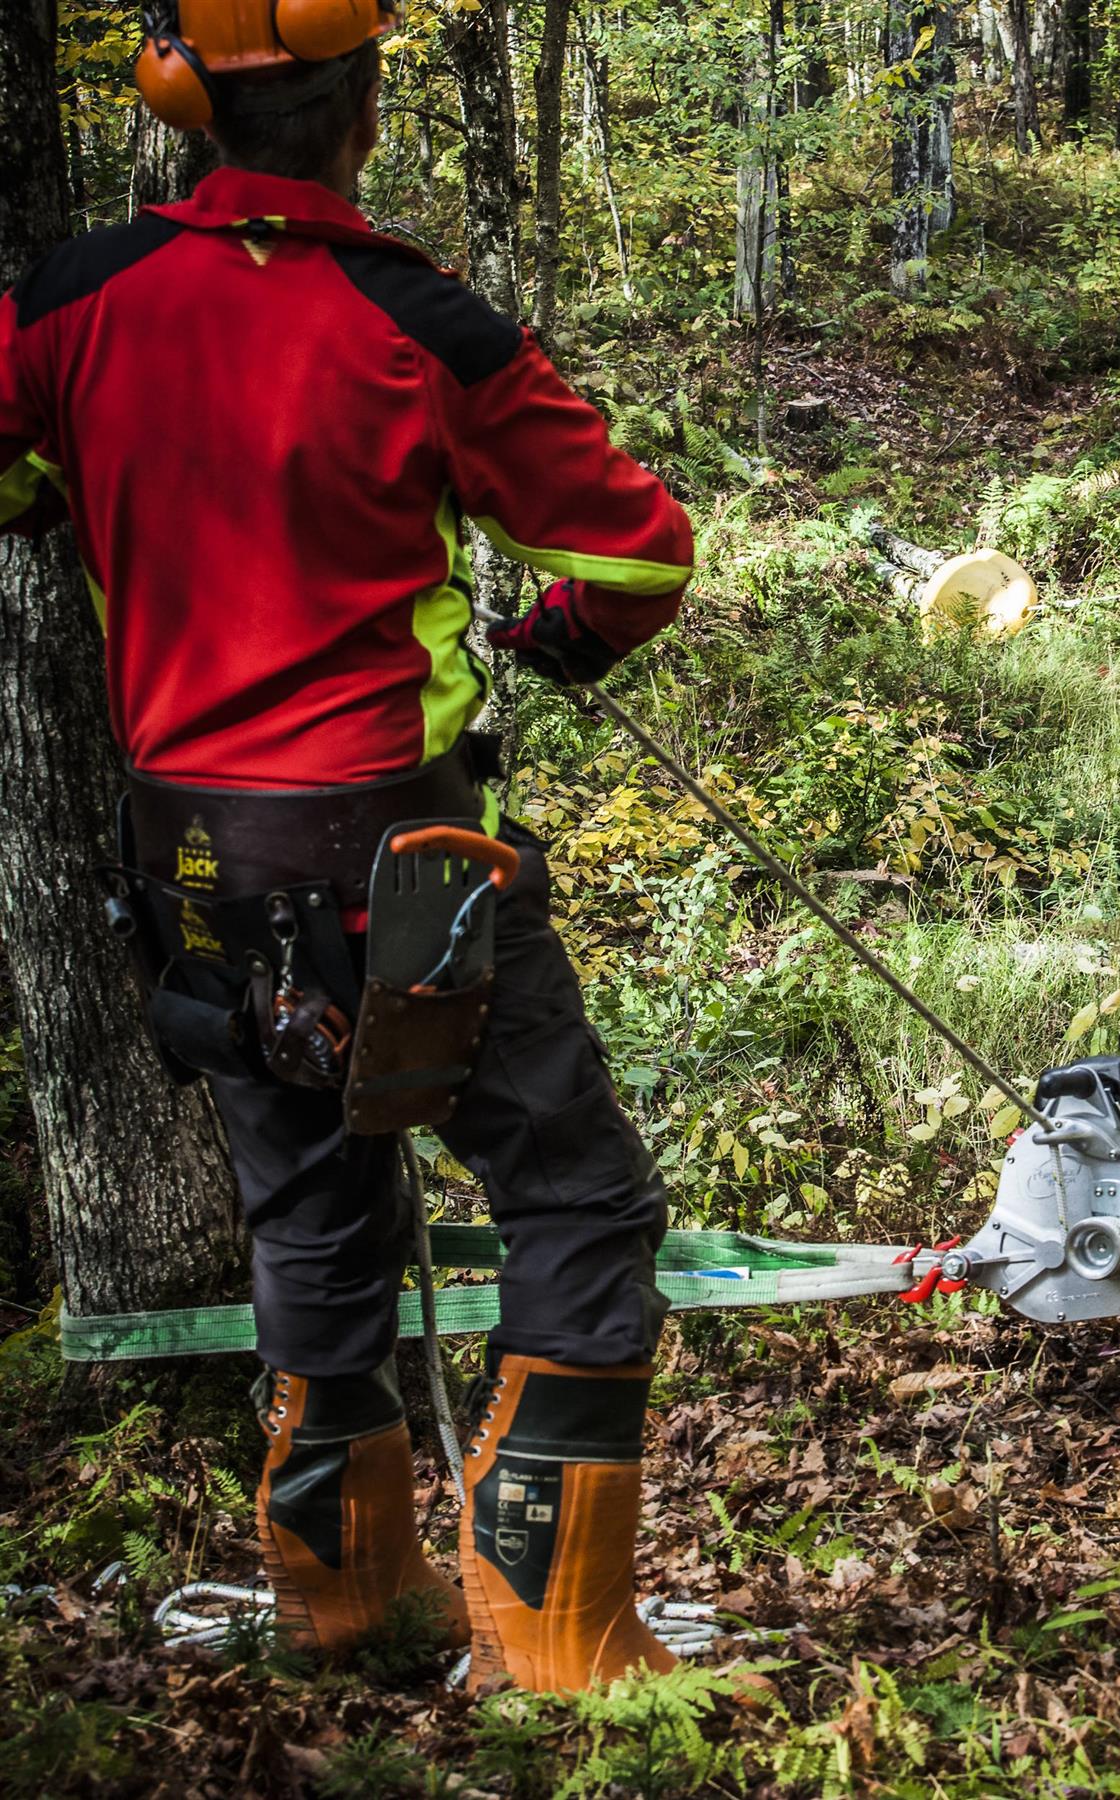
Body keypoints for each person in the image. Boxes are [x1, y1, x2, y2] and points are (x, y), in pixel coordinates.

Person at [0, 0, 693, 1692]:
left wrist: (57, 483)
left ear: (183, 106)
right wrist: (554, 646)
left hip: (195, 874)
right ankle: (555, 1631)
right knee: (578, 1197)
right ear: (366, 103)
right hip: (407, 866)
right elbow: (639, 555)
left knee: (313, 1219)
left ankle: (344, 1603)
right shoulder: (421, 324)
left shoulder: (65, 307)